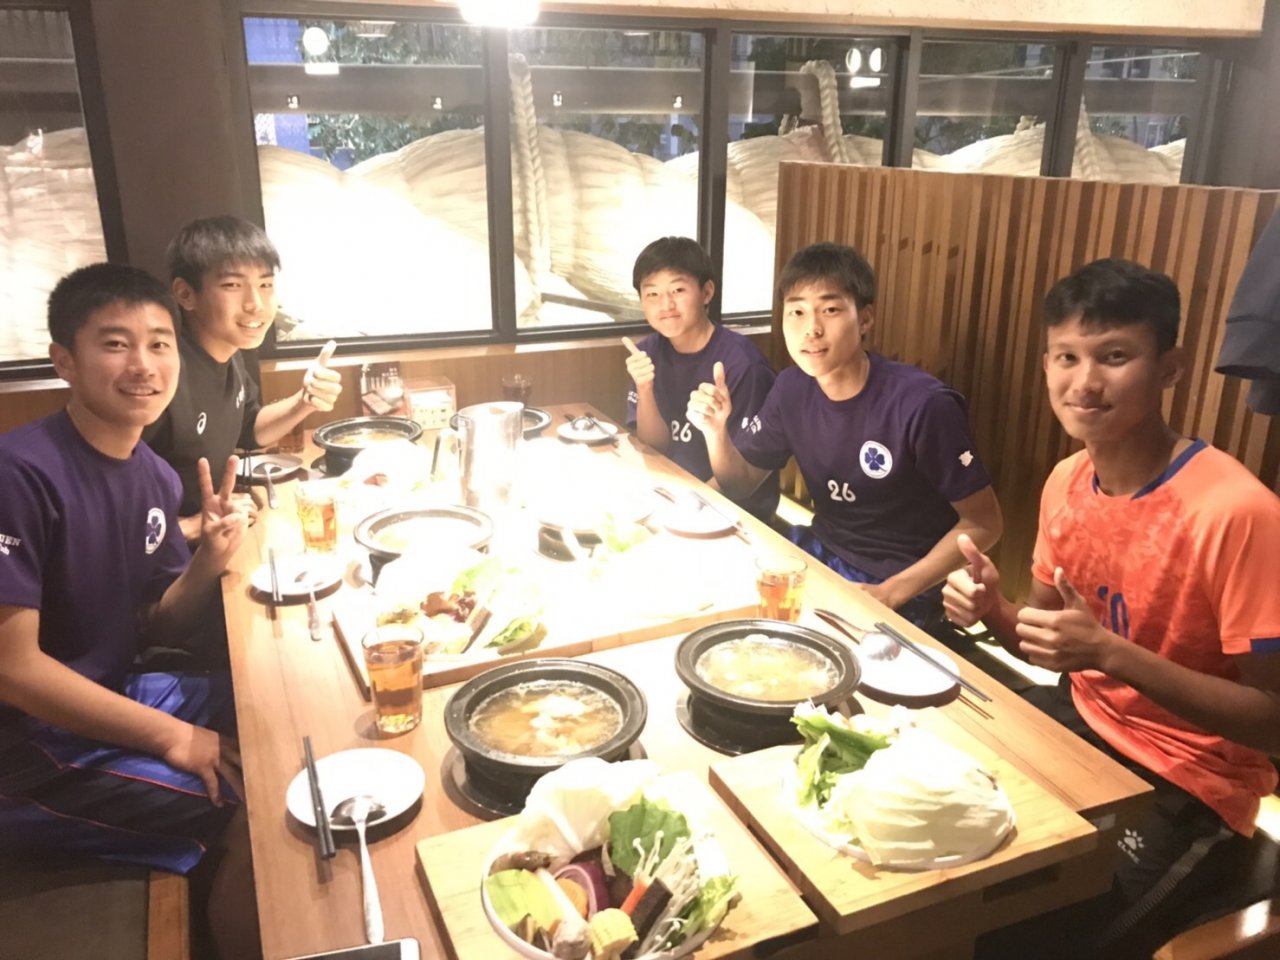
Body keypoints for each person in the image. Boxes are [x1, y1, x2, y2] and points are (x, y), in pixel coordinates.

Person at [942, 258, 1280, 960]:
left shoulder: (1235, 512)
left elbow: (1274, 721)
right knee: (942, 871)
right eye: (1066, 357)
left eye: (1115, 356)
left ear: (1169, 368)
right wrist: (992, 609)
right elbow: (1044, 640)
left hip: (1191, 781)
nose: (1085, 382)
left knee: (1029, 942)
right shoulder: (1067, 480)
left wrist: (1109, 653)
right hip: (1078, 719)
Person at [0, 263, 260, 959]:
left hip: (108, 692)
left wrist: (208, 560)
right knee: (254, 803)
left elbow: (155, 621)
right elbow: (13, 669)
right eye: (115, 344)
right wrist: (173, 736)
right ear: (65, 361)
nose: (143, 364)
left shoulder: (151, 474)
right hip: (22, 750)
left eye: (159, 343)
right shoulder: (18, 473)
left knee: (268, 710)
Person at [688, 241, 1001, 622]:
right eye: (797, 312)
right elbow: (740, 484)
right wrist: (716, 431)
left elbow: (985, 523)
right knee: (710, 593)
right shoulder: (791, 388)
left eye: (830, 310)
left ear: (865, 319)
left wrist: (890, 592)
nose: (811, 329)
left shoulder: (921, 404)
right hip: (822, 552)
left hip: (904, 583)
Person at [144, 215, 342, 540]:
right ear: (185, 294)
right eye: (232, 286)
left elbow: (248, 428)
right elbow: (109, 514)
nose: (255, 305)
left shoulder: (229, 352)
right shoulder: (160, 374)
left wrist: (304, 401)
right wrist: (194, 524)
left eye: (265, 285)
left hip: (218, 538)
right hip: (170, 559)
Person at [624, 236, 779, 520]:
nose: (666, 304)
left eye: (678, 290)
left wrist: (687, 508)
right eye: (652, 294)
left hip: (733, 512)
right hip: (671, 490)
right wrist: (644, 389)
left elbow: (743, 478)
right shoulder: (646, 352)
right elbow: (654, 446)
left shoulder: (744, 365)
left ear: (707, 292)